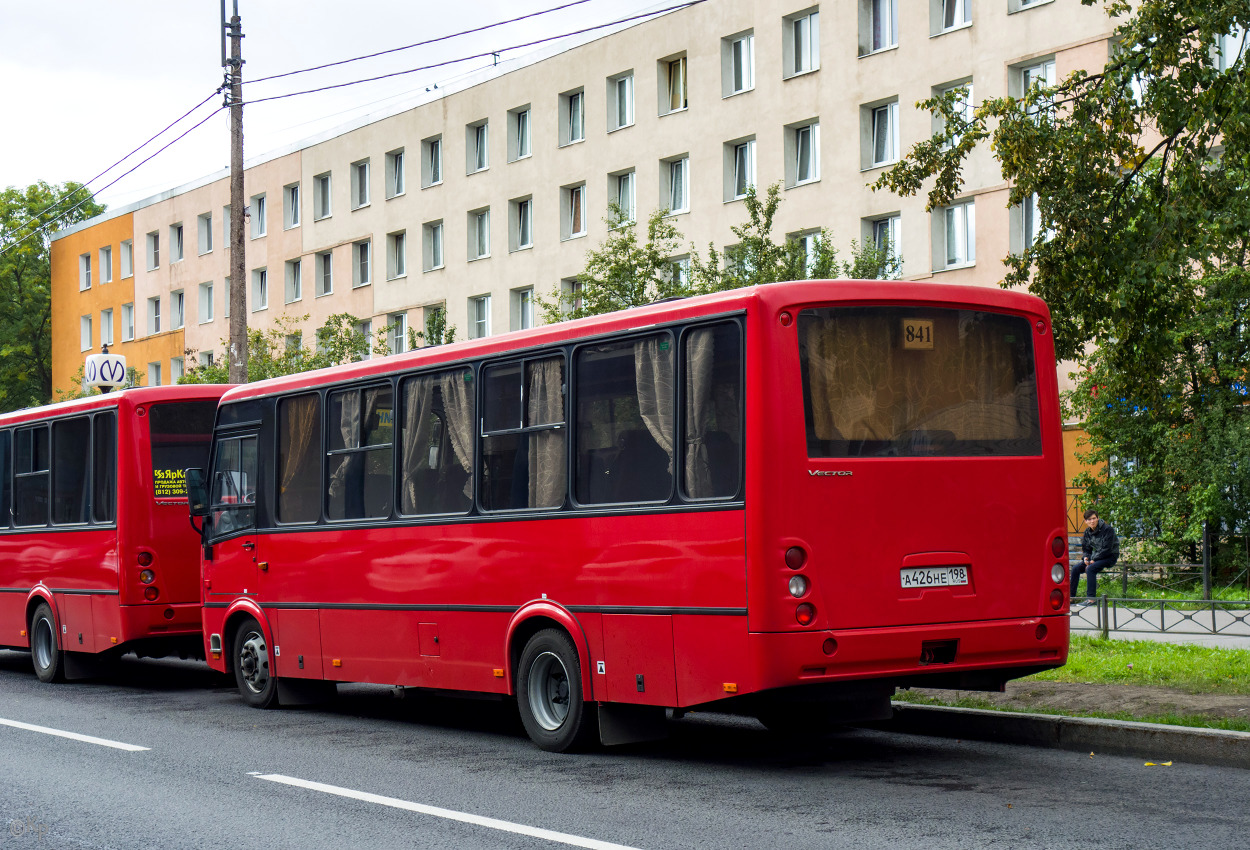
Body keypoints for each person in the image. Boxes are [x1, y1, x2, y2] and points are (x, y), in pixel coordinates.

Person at [1073, 508, 1119, 602]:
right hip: (1096, 557)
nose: (1092, 521)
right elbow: (1086, 548)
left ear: (1098, 518)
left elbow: (1107, 549)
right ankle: (1071, 598)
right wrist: (1086, 558)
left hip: (1110, 556)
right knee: (1075, 568)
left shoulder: (1107, 530)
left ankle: (1091, 599)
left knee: (1090, 568)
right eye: (1089, 519)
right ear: (1085, 521)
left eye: (1094, 518)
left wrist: (1094, 560)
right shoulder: (1087, 532)